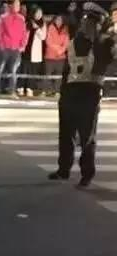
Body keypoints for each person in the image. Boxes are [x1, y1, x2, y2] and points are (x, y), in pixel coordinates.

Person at [49, 2, 117, 188]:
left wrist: (112, 36)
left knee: (87, 137)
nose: (85, 24)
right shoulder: (74, 42)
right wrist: (62, 93)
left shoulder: (104, 43)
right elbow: (67, 69)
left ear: (98, 25)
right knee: (65, 134)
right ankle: (63, 169)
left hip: (89, 93)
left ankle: (87, 174)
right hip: (69, 92)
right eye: (85, 20)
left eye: (90, 22)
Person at [0, 0, 28, 98]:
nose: (18, 6)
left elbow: (24, 33)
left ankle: (12, 91)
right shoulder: (3, 17)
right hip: (4, 48)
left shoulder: (21, 18)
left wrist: (22, 45)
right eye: (16, 4)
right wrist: (1, 46)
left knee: (13, 71)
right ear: (11, 5)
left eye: (18, 4)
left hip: (16, 48)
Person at [18, 5, 46, 97]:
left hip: (35, 52)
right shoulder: (28, 22)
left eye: (40, 13)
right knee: (24, 70)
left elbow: (43, 37)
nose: (39, 15)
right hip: (26, 50)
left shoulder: (42, 24)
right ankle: (20, 88)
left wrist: (37, 28)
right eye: (37, 13)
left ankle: (30, 88)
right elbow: (23, 34)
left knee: (33, 71)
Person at [44, 14, 70, 96]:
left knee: (59, 75)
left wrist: (60, 51)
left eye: (60, 20)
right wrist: (58, 49)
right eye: (57, 19)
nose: (59, 21)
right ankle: (48, 90)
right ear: (54, 20)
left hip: (61, 57)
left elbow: (66, 43)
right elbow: (48, 41)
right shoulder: (50, 28)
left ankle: (57, 91)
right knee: (48, 74)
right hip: (50, 56)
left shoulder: (65, 29)